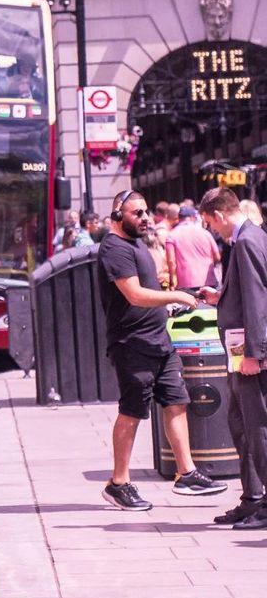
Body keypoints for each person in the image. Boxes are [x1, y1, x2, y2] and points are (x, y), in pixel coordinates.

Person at [97, 189, 227, 510]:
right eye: (136, 213)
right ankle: (119, 483)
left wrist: (168, 305)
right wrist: (175, 298)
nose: (144, 218)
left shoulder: (136, 244)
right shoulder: (114, 248)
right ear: (117, 216)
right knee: (132, 412)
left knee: (177, 402)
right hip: (133, 344)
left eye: (145, 213)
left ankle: (186, 473)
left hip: (159, 340)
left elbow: (149, 290)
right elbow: (135, 295)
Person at [197, 188, 267, 529]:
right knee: (240, 425)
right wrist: (219, 297)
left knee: (258, 428)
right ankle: (252, 497)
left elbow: (258, 299)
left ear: (221, 214)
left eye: (210, 222)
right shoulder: (244, 241)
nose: (212, 229)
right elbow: (244, 293)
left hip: (249, 354)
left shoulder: (248, 242)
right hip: (238, 350)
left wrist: (256, 353)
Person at [165, 203, 222, 290]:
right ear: (193, 217)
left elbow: (171, 262)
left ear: (179, 218)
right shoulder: (205, 233)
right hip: (209, 282)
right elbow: (217, 257)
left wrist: (172, 282)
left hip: (186, 283)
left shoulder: (172, 235)